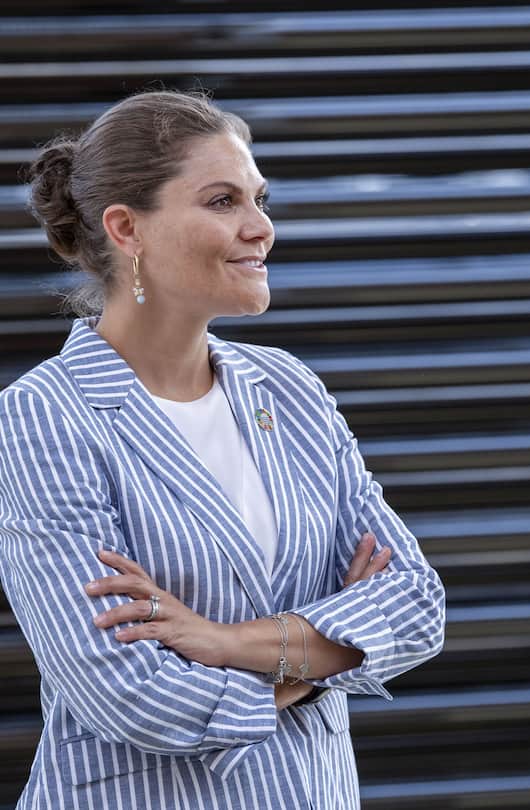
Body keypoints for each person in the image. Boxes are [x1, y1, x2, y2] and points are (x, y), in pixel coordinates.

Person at [0, 90, 445, 810]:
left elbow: (415, 605)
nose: (261, 227)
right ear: (127, 228)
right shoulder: (47, 417)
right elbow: (130, 694)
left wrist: (222, 640)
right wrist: (321, 660)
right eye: (222, 201)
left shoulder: (288, 388)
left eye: (259, 199)